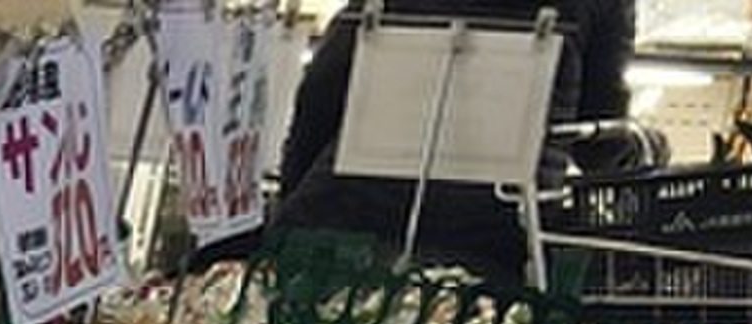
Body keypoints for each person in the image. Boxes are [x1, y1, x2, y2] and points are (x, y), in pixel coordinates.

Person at [268, 0, 639, 278]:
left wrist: (289, 203)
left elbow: (320, 95)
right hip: (492, 238)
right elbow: (599, 138)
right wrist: (639, 155)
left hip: (342, 225)